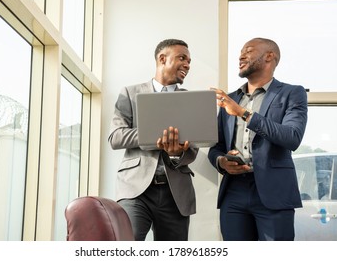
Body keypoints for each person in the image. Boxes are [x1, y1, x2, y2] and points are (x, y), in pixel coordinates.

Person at [208, 37, 308, 241]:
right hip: (233, 192)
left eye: (249, 50)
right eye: (241, 51)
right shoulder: (231, 98)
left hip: (274, 193)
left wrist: (244, 114)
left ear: (269, 56)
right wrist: (222, 162)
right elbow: (216, 147)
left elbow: (292, 137)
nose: (241, 55)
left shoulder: (292, 93)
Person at [108, 39, 199, 241]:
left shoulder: (190, 100)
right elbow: (116, 137)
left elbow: (192, 149)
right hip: (135, 190)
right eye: (182, 58)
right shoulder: (130, 93)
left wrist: (177, 153)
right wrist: (154, 132)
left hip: (175, 193)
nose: (187, 65)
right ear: (162, 58)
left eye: (189, 61)